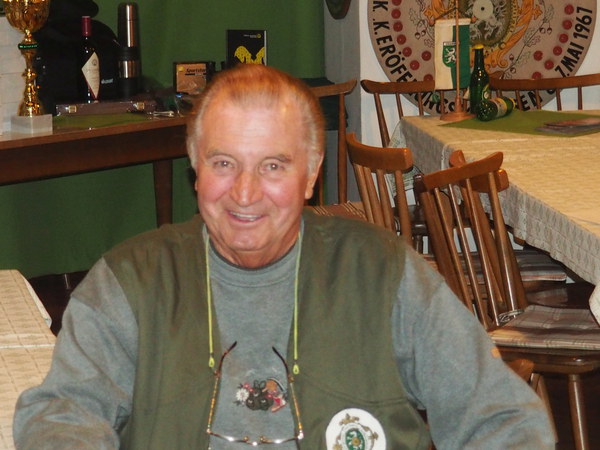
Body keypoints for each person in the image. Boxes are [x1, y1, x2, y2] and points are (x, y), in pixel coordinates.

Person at [13, 64, 554, 449]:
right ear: (195, 168)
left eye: (272, 166)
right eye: (224, 163)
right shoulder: (131, 282)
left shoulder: (382, 273)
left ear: (311, 175)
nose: (245, 193)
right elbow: (63, 416)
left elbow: (503, 419)